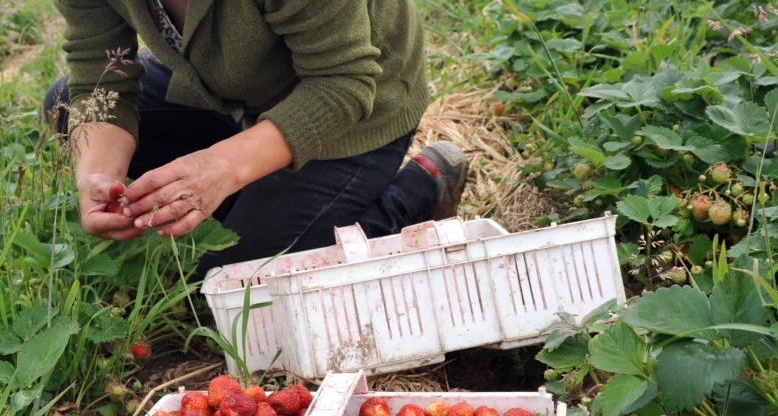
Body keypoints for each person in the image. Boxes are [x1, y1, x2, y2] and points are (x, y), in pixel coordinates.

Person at [46, 0, 469, 273]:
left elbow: (344, 82)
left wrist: (222, 167)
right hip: (232, 91)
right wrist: (96, 174)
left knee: (238, 281)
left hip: (354, 103)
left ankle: (409, 199)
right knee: (65, 104)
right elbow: (102, 79)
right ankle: (265, 202)